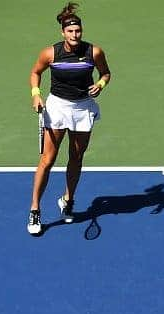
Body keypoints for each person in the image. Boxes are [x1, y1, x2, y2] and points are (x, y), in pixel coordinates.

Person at [27, 2, 111, 235]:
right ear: (63, 32)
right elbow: (35, 73)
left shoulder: (94, 52)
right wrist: (36, 95)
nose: (75, 35)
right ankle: (35, 209)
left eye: (78, 31)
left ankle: (68, 199)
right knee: (48, 159)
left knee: (76, 156)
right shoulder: (50, 53)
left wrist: (101, 84)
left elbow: (106, 72)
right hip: (58, 107)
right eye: (70, 31)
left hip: (83, 108)